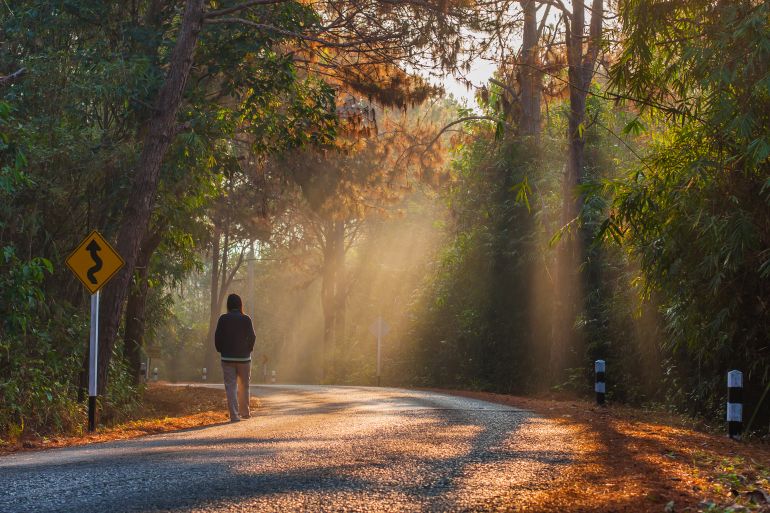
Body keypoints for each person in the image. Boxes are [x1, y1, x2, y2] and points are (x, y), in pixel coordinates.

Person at [214, 293, 256, 422]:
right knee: (245, 385)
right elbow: (252, 337)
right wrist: (248, 349)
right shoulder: (246, 319)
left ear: (228, 305)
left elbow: (217, 338)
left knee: (230, 386)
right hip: (244, 358)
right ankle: (245, 412)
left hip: (227, 358)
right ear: (240, 304)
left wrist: (221, 350)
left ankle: (234, 415)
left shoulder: (223, 319)